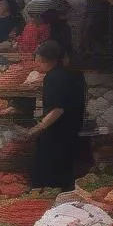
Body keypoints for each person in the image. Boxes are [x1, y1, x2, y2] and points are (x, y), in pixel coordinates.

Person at [27, 40, 87, 190]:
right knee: (65, 168)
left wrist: (38, 128)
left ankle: (48, 198)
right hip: (73, 127)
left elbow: (57, 109)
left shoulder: (53, 77)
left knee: (49, 171)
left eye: (36, 59)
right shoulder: (72, 73)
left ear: (41, 59)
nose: (35, 63)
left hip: (58, 131)